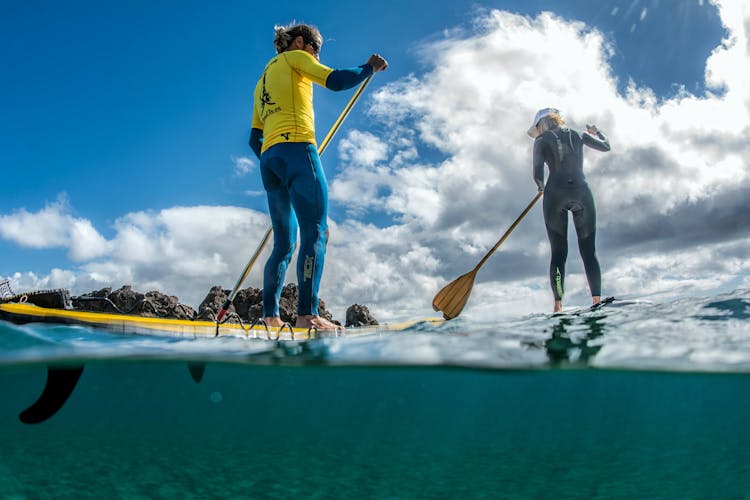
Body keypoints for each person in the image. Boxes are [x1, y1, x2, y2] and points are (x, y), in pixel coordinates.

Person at [249, 23, 388, 331]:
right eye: (315, 49)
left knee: (283, 245)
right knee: (316, 232)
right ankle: (306, 314)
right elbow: (336, 81)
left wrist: (276, 156)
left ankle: (269, 317)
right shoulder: (295, 58)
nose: (316, 55)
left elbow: (253, 139)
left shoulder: (261, 82)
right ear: (299, 42)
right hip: (297, 150)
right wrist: (369, 67)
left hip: (269, 160)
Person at [527, 108, 611, 313]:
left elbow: (537, 173)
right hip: (582, 193)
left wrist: (540, 186)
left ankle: (558, 305)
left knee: (558, 253)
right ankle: (596, 300)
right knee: (589, 251)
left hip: (555, 195)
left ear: (541, 124)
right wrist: (597, 132)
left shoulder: (540, 140)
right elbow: (606, 147)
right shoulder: (578, 134)